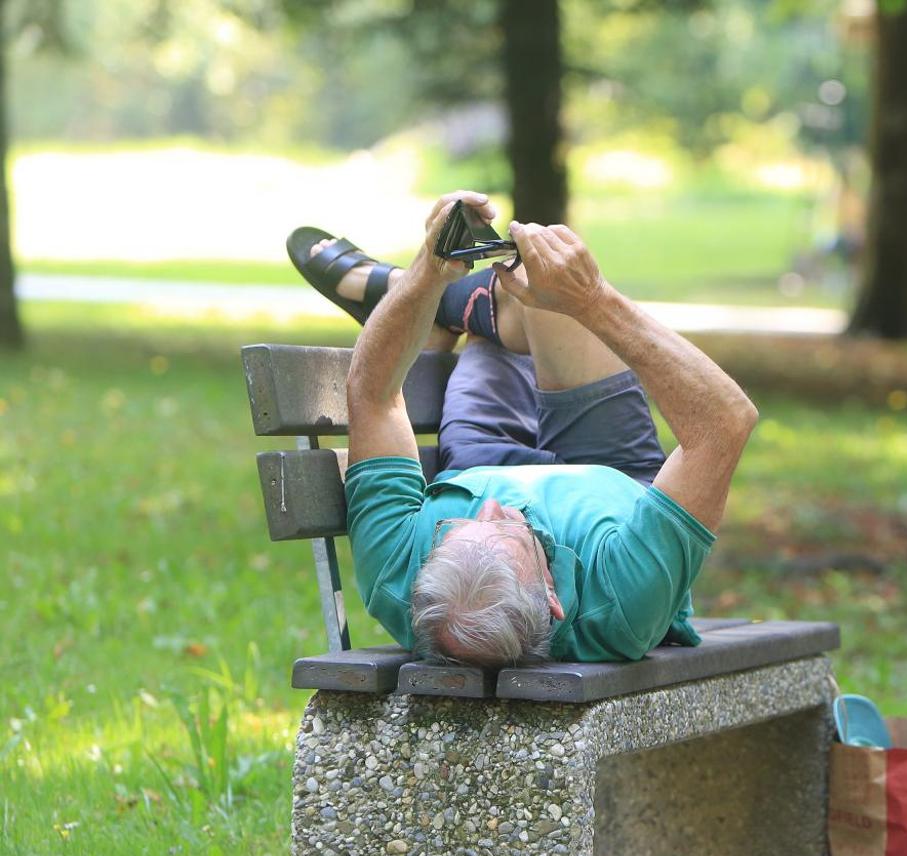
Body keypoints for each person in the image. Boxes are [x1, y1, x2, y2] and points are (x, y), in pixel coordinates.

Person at [288, 191, 758, 666]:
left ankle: (433, 303)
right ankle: (431, 303)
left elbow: (374, 394)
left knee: (522, 291)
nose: (492, 506)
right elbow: (724, 422)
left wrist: (426, 270)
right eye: (512, 529)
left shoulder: (399, 574)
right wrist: (593, 299)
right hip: (615, 476)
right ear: (551, 598)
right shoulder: (619, 600)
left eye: (455, 526)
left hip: (482, 459)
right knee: (539, 292)